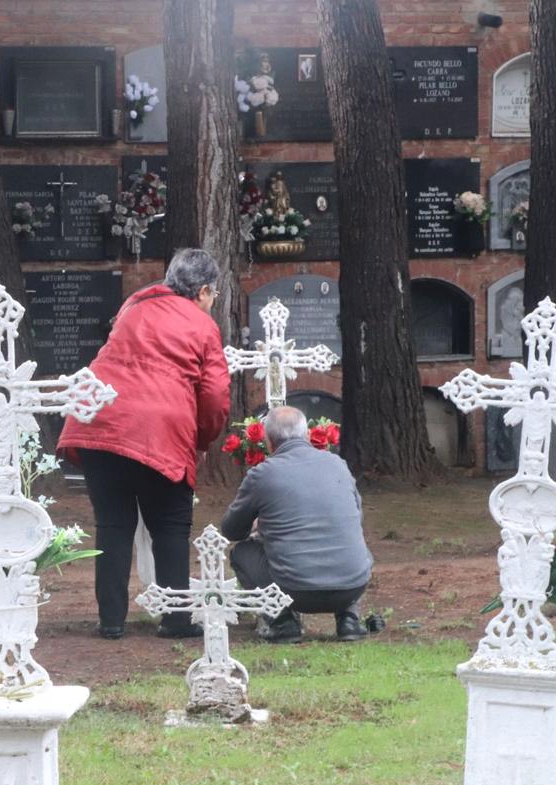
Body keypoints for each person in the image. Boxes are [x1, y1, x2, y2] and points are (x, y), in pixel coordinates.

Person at [58, 248, 231, 640]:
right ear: (203, 290)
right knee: (170, 525)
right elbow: (216, 395)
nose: (212, 303)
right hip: (159, 429)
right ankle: (175, 618)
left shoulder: (134, 305)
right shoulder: (203, 327)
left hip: (100, 420)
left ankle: (112, 621)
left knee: (113, 525)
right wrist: (200, 439)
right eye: (213, 296)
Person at [220, 405, 372, 643]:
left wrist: (261, 524)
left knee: (242, 553)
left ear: (269, 442)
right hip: (352, 584)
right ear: (307, 435)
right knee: (347, 542)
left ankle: (283, 621)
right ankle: (349, 620)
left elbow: (231, 530)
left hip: (293, 590)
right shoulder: (337, 464)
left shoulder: (263, 473)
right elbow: (356, 517)